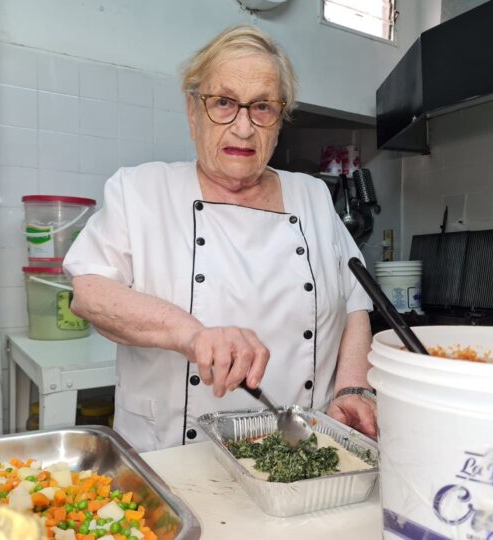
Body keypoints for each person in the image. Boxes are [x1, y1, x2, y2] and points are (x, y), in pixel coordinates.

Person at [64, 25, 377, 452]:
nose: (244, 127)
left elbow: (356, 300)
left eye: (262, 107)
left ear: (279, 119)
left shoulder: (313, 196)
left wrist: (352, 387)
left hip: (304, 451)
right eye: (224, 103)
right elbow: (90, 293)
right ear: (193, 110)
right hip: (173, 459)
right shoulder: (141, 190)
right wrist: (192, 335)